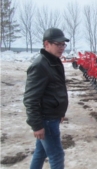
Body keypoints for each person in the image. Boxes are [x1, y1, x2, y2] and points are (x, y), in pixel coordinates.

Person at [23, 27, 69, 169]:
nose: (61, 48)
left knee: (41, 152)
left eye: (63, 44)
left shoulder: (54, 62)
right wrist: (37, 125)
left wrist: (60, 113)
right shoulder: (40, 65)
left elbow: (55, 91)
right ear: (46, 44)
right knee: (56, 155)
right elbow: (30, 99)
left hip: (52, 116)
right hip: (46, 119)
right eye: (58, 44)